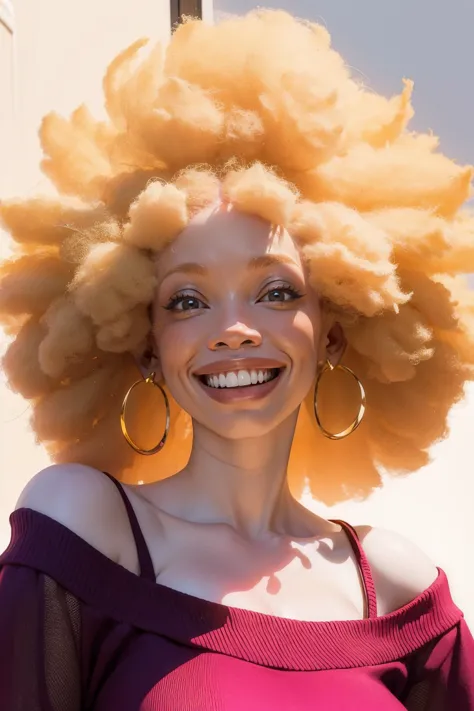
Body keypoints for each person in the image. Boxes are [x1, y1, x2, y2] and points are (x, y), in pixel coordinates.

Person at [0, 8, 473, 710]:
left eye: (276, 291)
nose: (233, 330)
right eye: (187, 300)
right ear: (146, 344)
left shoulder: (398, 585)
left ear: (336, 327)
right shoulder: (84, 527)